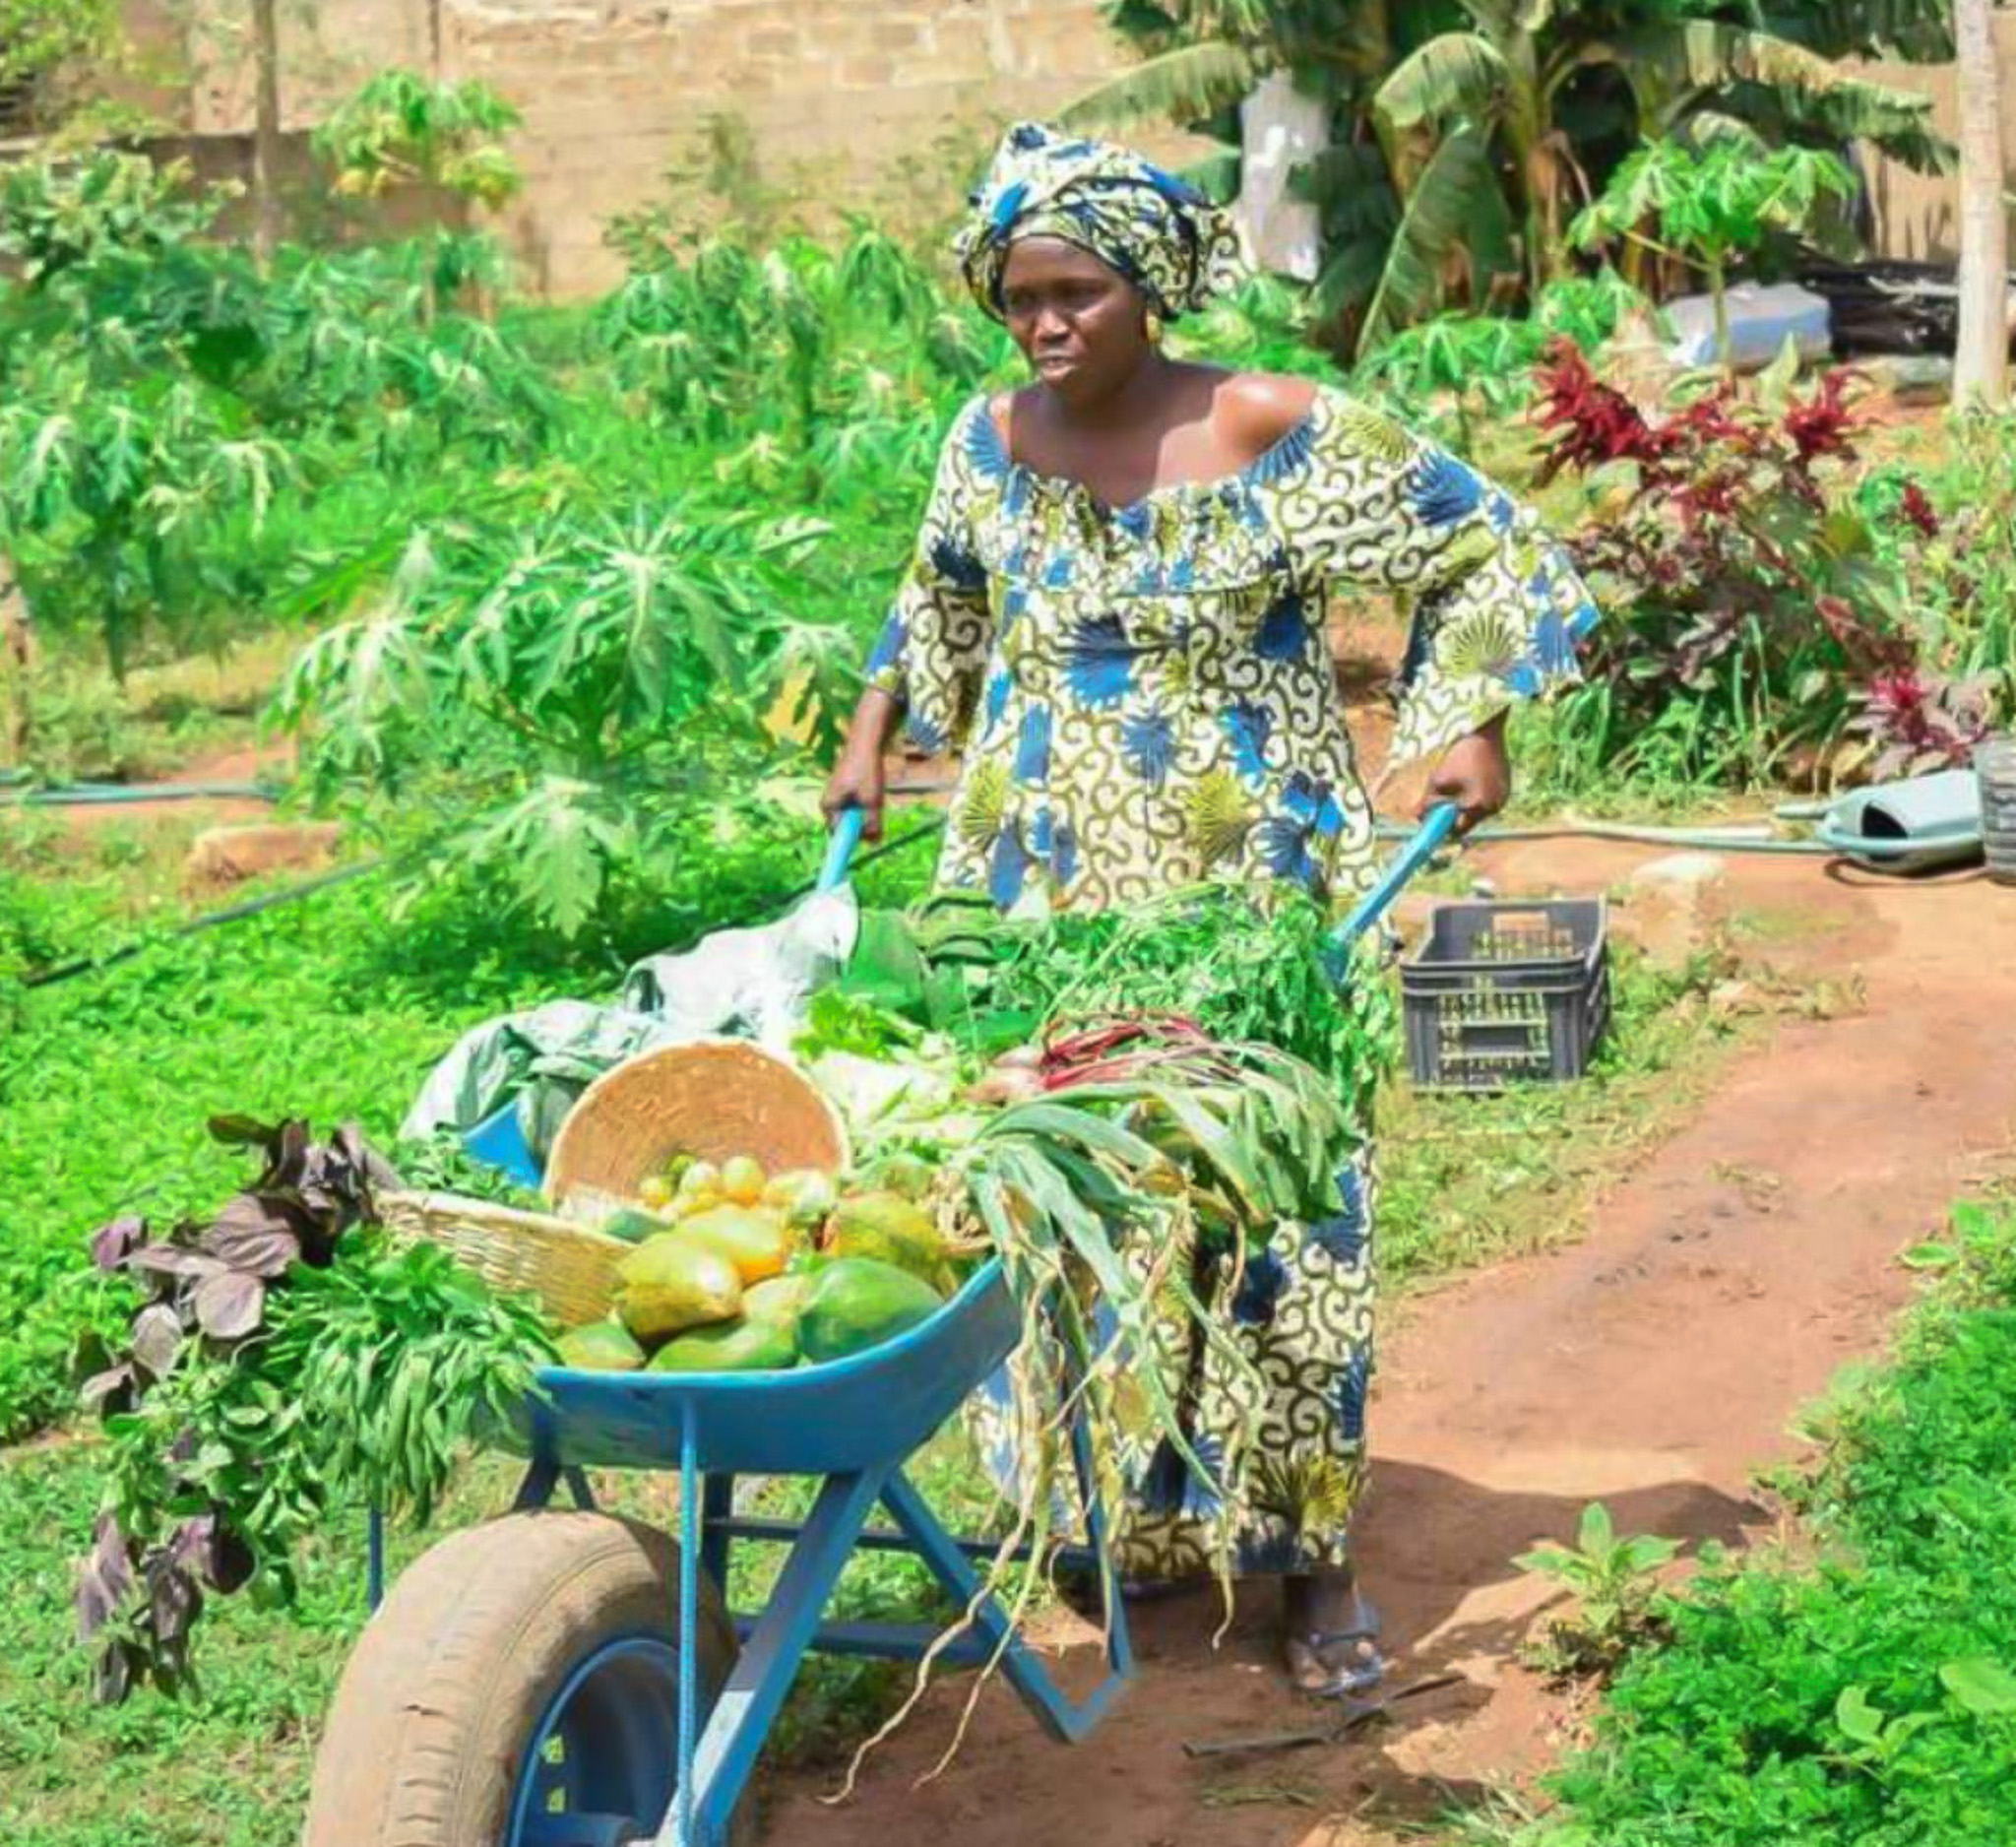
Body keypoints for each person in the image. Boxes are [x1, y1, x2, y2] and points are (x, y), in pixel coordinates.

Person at [822, 122, 1598, 1696]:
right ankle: (1133, 1524)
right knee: (1066, 1202)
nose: (1044, 326)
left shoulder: (1269, 425)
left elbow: (1483, 541)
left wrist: (1472, 718)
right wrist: (875, 719)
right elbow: (941, 591)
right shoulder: (988, 439)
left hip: (1256, 893)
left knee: (1282, 1206)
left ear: (1150, 286)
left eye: (1075, 294)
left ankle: (1313, 1561)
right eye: (1018, 297)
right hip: (1034, 889)